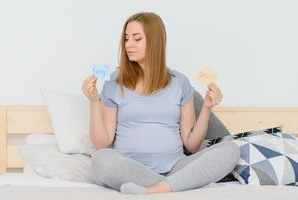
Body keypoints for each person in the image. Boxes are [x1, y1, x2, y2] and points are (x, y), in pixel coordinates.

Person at [81, 12, 240, 195]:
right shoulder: (114, 82)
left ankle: (154, 189)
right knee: (101, 159)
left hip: (176, 166)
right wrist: (93, 101)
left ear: (155, 41)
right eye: (126, 38)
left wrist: (206, 108)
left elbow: (192, 145)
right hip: (130, 168)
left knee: (231, 150)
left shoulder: (180, 82)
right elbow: (102, 143)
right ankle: (170, 187)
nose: (128, 44)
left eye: (137, 38)